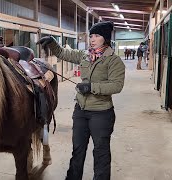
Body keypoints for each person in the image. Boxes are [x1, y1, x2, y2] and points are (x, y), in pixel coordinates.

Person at [37, 21, 125, 180]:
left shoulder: (113, 60)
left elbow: (117, 85)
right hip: (81, 111)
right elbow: (64, 53)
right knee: (77, 149)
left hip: (101, 113)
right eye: (91, 35)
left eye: (97, 35)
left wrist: (91, 87)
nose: (92, 39)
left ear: (105, 38)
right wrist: (52, 42)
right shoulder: (85, 55)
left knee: (101, 151)